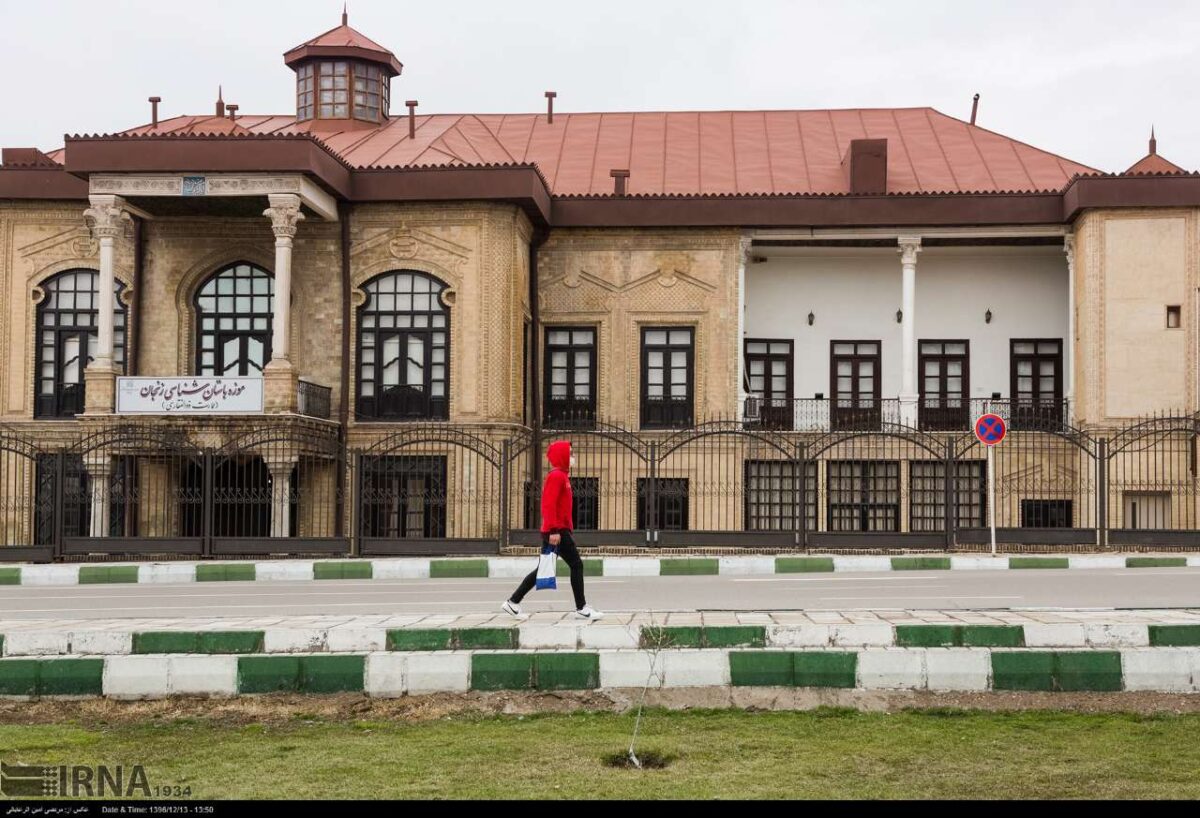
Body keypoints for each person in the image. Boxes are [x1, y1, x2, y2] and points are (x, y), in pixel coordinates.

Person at [503, 440, 604, 621]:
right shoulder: (556, 476)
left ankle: (513, 602)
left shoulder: (562, 476)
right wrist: (554, 531)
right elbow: (548, 505)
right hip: (556, 531)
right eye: (570, 453)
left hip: (557, 530)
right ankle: (581, 608)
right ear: (562, 455)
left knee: (544, 568)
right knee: (576, 565)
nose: (573, 456)